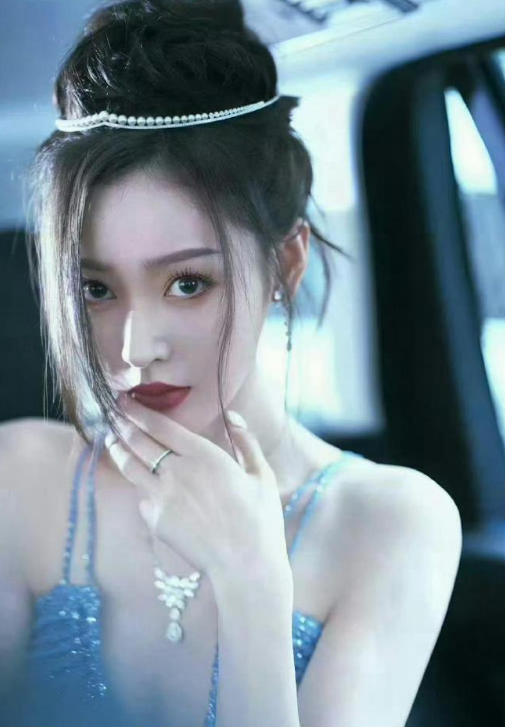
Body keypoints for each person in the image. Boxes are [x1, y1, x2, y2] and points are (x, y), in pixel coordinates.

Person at [0, 1, 463, 726]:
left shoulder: (390, 522)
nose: (135, 348)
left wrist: (251, 581)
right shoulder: (22, 479)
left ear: (286, 264)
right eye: (96, 289)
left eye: (188, 283)